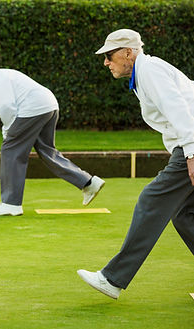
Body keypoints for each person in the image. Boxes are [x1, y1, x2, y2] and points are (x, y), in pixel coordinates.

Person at [77, 29, 194, 299]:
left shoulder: (149, 70)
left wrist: (190, 153)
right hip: (188, 141)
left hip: (192, 140)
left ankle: (112, 278)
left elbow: (178, 108)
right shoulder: (143, 74)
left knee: (151, 200)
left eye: (109, 55)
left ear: (128, 52)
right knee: (184, 213)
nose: (106, 62)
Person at [0, 62, 105, 216]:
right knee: (47, 151)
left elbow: (7, 108)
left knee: (10, 150)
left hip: (33, 109)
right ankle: (89, 183)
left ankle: (11, 204)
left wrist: (8, 134)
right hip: (48, 105)